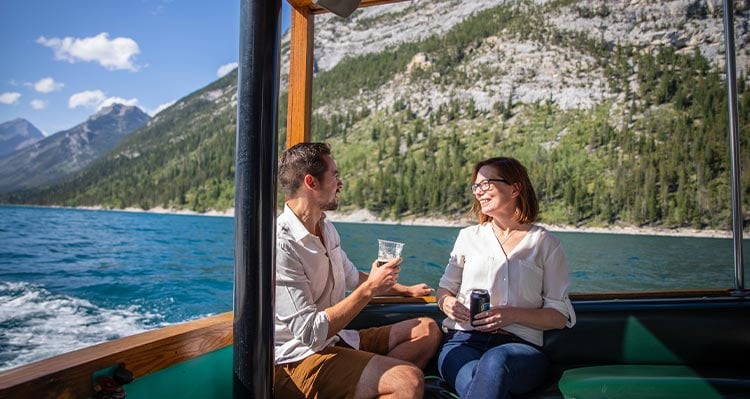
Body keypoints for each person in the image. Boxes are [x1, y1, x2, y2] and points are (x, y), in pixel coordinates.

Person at [274, 142, 442, 399]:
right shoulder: (282, 244)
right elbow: (310, 333)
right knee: (407, 381)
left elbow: (353, 277)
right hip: (296, 360)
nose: (340, 183)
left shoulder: (325, 228)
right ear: (311, 182)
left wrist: (404, 289)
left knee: (427, 329)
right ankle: (381, 379)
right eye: (335, 175)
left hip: (336, 339)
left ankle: (369, 379)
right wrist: (371, 288)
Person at [435, 157, 576, 399]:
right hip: (462, 342)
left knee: (494, 362)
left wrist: (511, 315)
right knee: (479, 384)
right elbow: (444, 291)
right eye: (476, 186)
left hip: (520, 347)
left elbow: (559, 316)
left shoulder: (545, 244)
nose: (479, 192)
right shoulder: (468, 237)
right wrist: (446, 303)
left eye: (487, 184)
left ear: (515, 188)